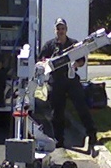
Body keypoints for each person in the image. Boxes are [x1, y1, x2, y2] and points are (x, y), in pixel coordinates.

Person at [38, 18, 97, 149]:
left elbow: (82, 60)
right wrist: (47, 62)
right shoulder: (49, 46)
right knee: (56, 112)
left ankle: (92, 134)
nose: (60, 31)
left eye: (63, 28)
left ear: (66, 29)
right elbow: (41, 61)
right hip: (56, 81)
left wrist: (75, 64)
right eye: (58, 28)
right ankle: (59, 139)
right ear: (55, 30)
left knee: (82, 107)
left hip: (71, 80)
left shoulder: (73, 44)